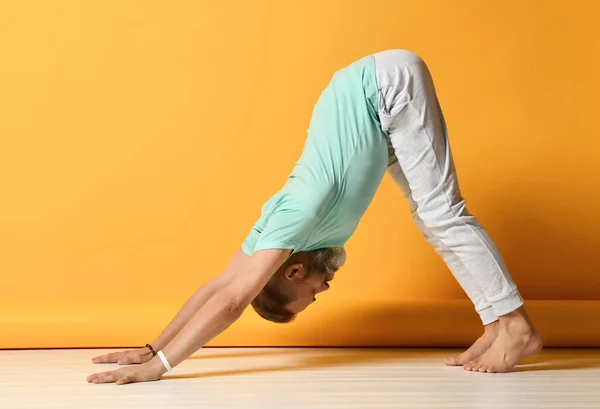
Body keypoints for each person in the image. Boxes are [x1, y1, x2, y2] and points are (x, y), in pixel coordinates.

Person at [87, 49, 542, 385]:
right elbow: (216, 286)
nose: (324, 289)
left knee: (443, 213)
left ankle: (517, 326)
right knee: (431, 218)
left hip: (381, 87)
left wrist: (158, 369)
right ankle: (496, 324)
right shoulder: (278, 225)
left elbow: (230, 302)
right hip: (367, 102)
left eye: (310, 294)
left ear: (294, 270)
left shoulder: (295, 221)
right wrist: (153, 344)